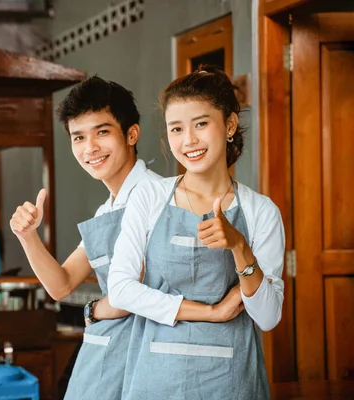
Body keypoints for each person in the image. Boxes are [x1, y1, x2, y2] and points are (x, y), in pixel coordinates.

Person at [10, 76, 246, 400]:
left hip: (148, 354)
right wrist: (27, 236)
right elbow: (61, 285)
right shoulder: (107, 207)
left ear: (131, 133)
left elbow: (136, 292)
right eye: (78, 137)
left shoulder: (156, 197)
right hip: (110, 354)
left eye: (102, 132)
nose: (89, 147)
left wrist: (94, 311)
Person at [107, 65, 285, 399]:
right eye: (176, 129)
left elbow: (268, 316)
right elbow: (120, 290)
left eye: (201, 124)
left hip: (230, 379)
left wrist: (239, 246)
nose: (188, 140)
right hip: (156, 378)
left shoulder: (260, 211)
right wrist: (212, 312)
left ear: (229, 125)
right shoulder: (151, 197)